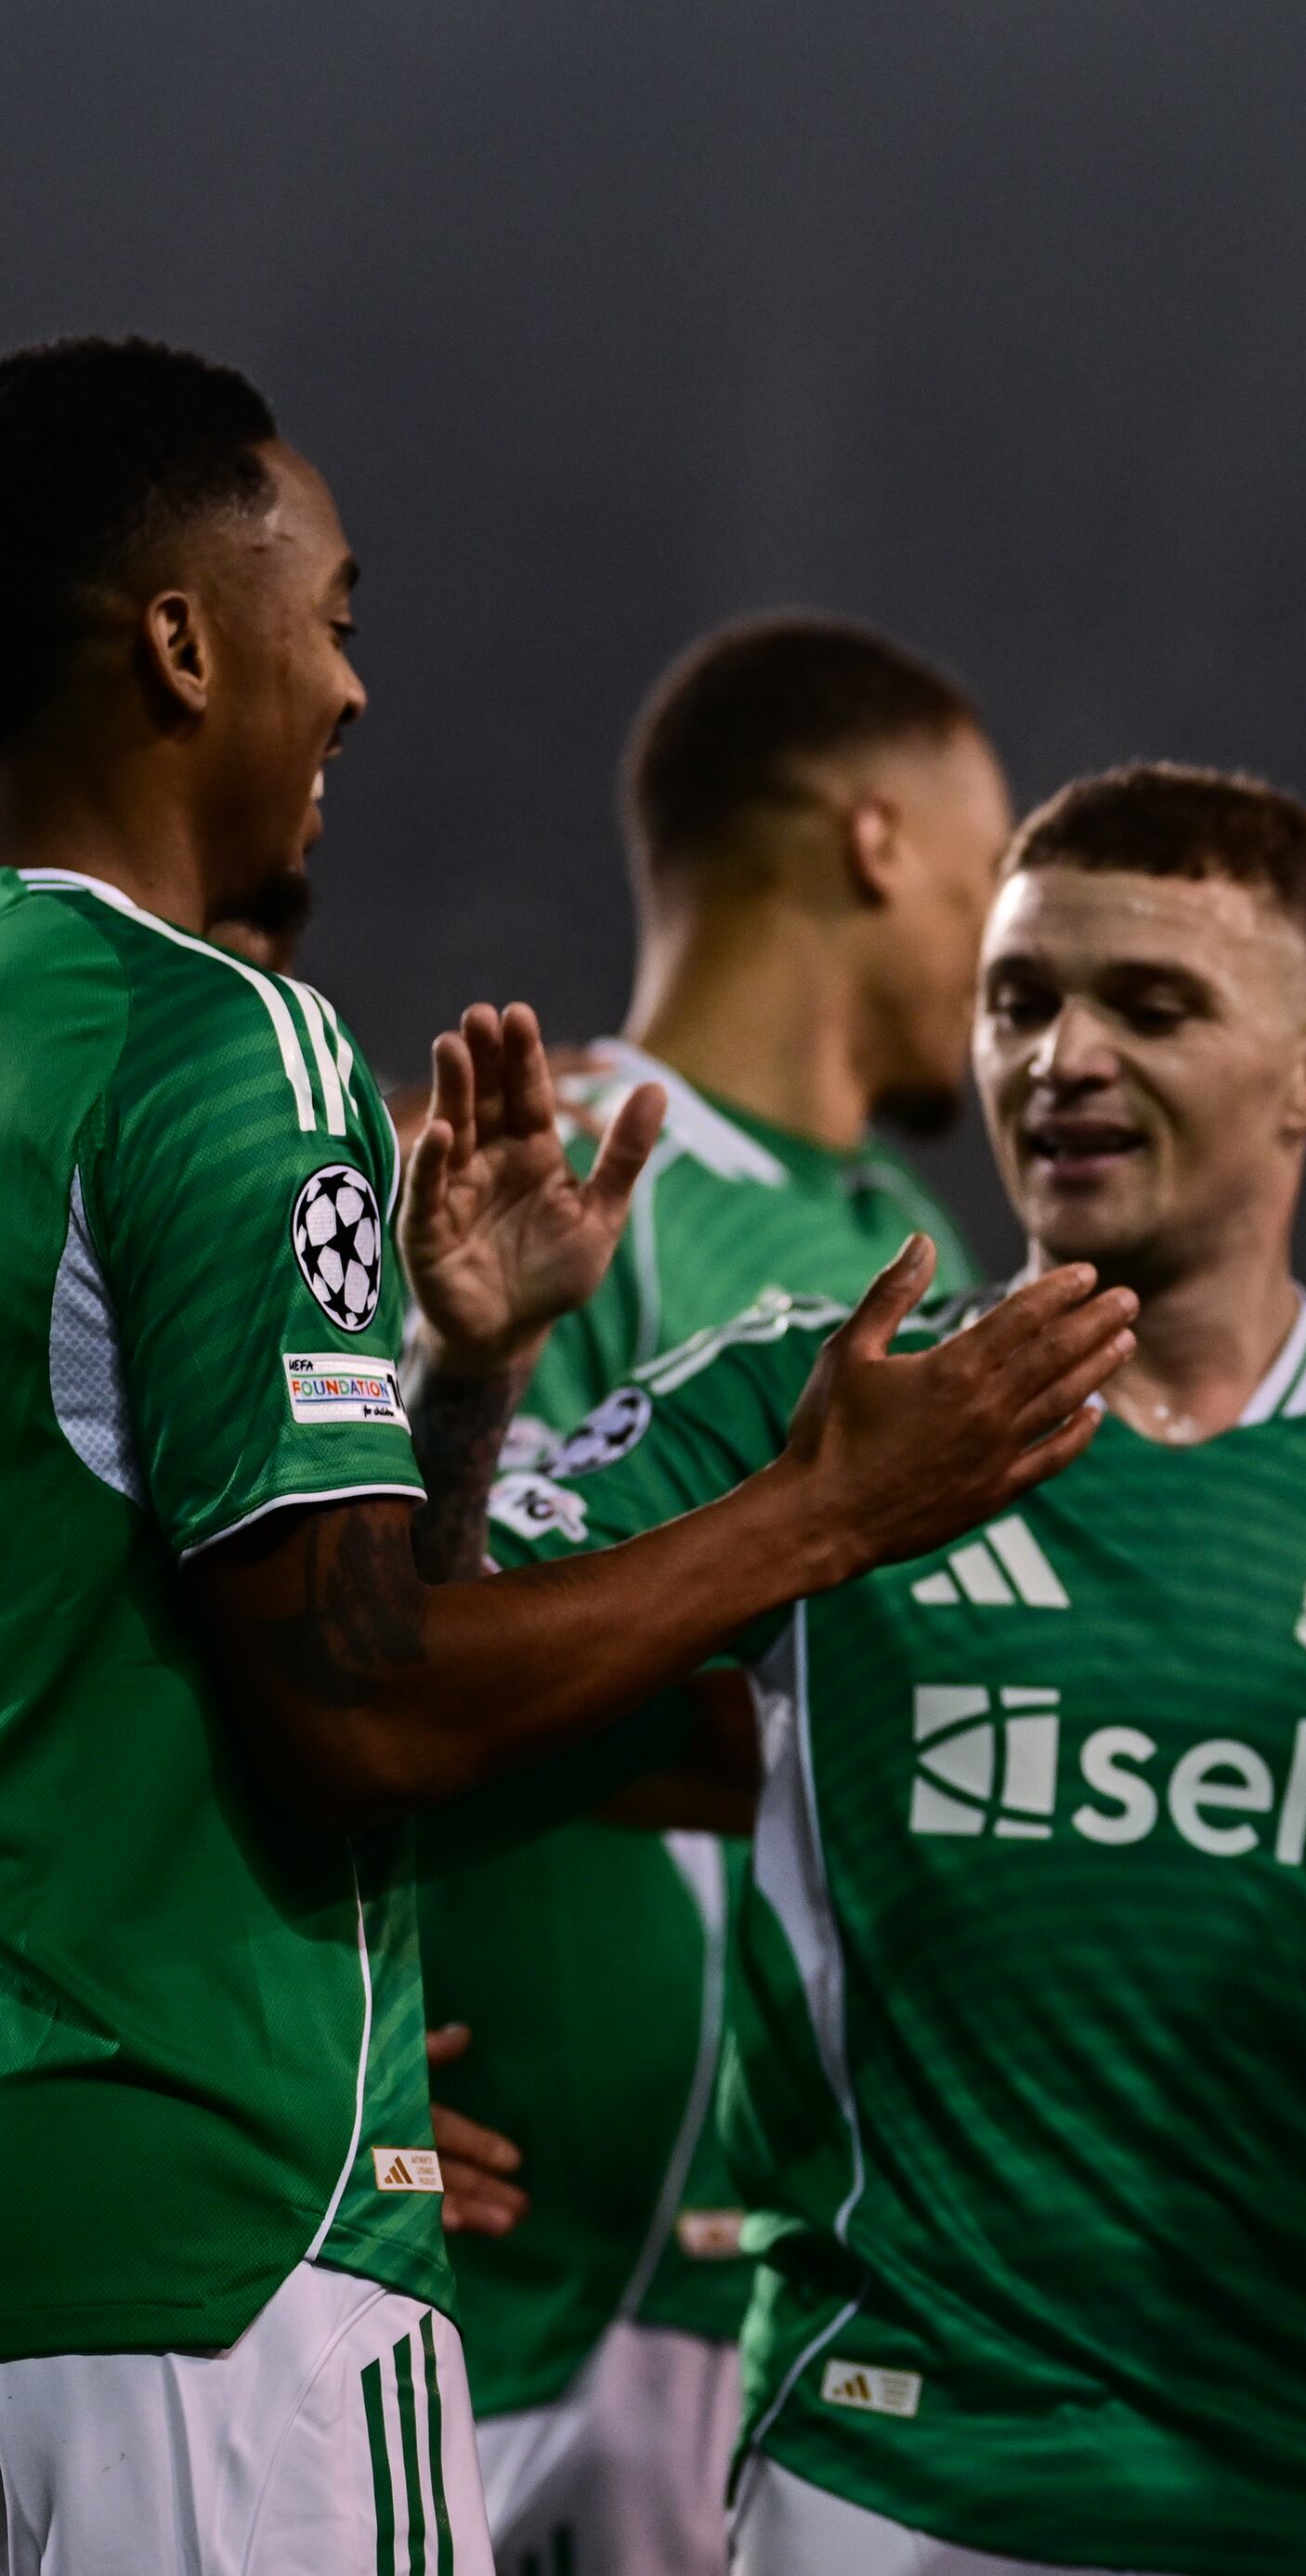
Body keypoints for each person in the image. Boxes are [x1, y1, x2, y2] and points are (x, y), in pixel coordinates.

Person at [0, 332, 1130, 2571]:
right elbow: (363, 1703)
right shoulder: (206, 1040)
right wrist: (832, 1505)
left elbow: (210, 1611)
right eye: (329, 620)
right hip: (210, 2258)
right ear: (178, 637)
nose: (348, 695)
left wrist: (467, 1376)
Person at [486, 764, 1306, 2576]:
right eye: (1018, 1000)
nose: (1057, 1056)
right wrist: (471, 1391)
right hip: (898, 2478)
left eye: (1148, 1006)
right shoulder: (813, 1390)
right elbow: (394, 1667)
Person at [431, 614, 1009, 2576]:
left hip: (774, 2284)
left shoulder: (907, 1235)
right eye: (987, 865)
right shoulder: (582, 1167)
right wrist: (332, 2048)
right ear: (874, 842)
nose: (1003, 943)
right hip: (516, 2291)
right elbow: (410, 1645)